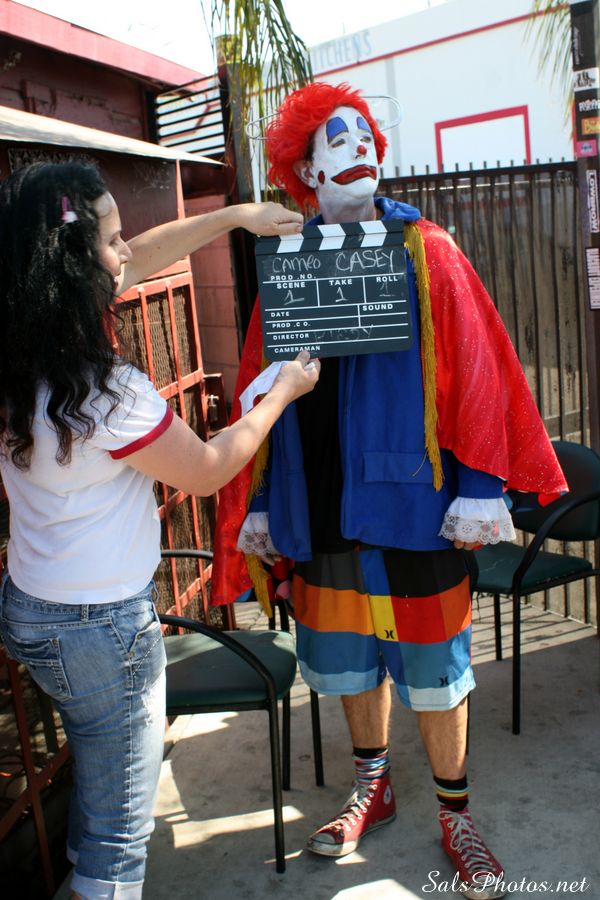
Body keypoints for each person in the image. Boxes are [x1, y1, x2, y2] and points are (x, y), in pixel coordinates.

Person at [212, 83, 567, 900]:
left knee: (437, 668)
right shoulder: (287, 263)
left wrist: (479, 486)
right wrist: (262, 502)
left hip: (416, 503)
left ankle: (456, 812)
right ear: (305, 170)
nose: (358, 147)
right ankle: (373, 786)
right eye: (336, 140)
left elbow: (479, 373)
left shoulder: (427, 250)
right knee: (347, 661)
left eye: (364, 135)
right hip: (320, 502)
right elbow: (259, 383)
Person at [0, 160, 320, 900]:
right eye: (112, 241)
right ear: (76, 268)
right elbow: (207, 469)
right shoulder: (108, 394)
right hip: (100, 631)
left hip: (31, 607)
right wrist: (279, 395)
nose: (128, 251)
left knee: (99, 776)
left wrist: (235, 216)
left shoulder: (20, 350)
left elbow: (144, 254)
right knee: (119, 841)